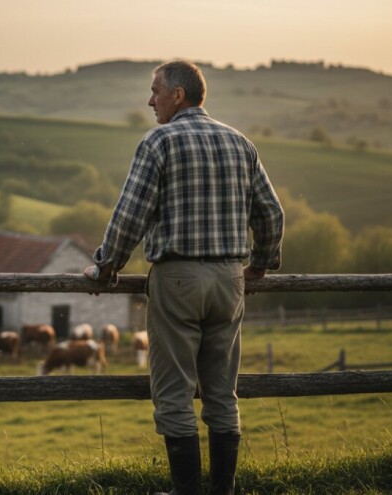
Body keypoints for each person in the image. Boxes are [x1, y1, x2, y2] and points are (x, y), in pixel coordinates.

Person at [84, 61, 284, 495]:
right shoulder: (240, 143)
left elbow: (129, 217)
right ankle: (223, 491)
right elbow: (271, 213)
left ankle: (187, 492)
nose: (149, 99)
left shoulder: (158, 142)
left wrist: (106, 266)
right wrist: (260, 265)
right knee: (221, 392)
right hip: (230, 279)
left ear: (178, 95)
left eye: (155, 90)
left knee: (174, 392)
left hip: (177, 278)